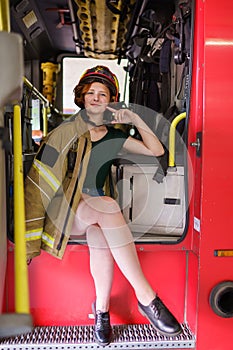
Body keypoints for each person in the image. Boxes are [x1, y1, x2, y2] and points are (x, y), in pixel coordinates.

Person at [24, 65, 181, 346]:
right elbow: (38, 183)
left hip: (96, 215)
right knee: (107, 205)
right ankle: (147, 297)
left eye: (103, 94)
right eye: (91, 92)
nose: (96, 98)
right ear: (82, 97)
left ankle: (101, 314)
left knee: (101, 233)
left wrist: (135, 118)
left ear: (110, 102)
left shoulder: (113, 137)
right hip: (64, 215)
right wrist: (27, 241)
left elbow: (156, 150)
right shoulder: (64, 133)